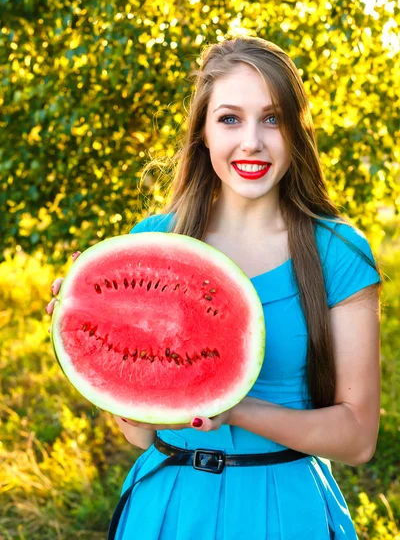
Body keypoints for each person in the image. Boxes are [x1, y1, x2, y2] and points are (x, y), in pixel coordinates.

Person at [47, 36, 382, 539]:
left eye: (272, 118)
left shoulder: (337, 252)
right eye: (230, 119)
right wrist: (92, 340)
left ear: (295, 131)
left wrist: (235, 407)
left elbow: (358, 440)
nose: (252, 141)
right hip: (169, 505)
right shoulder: (152, 241)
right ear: (203, 132)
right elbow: (140, 433)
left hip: (284, 509)